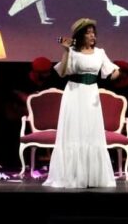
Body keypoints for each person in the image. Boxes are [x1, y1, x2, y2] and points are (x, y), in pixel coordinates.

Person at [44, 18, 121, 188]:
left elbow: (113, 70)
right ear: (80, 36)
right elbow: (62, 73)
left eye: (93, 32)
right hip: (74, 94)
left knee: (90, 133)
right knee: (74, 132)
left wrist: (115, 74)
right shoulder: (72, 52)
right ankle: (71, 176)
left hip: (91, 94)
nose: (92, 36)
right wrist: (66, 51)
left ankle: (92, 177)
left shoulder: (100, 52)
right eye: (88, 33)